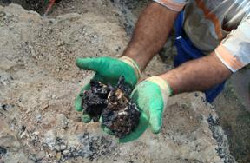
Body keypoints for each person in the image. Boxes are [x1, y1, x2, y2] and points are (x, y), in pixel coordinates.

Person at [75, 1, 250, 142]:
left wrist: (163, 84)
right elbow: (165, 5)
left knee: (202, 95)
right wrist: (132, 60)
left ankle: (197, 101)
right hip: (185, 21)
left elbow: (222, 62)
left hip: (214, 50)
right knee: (175, 39)